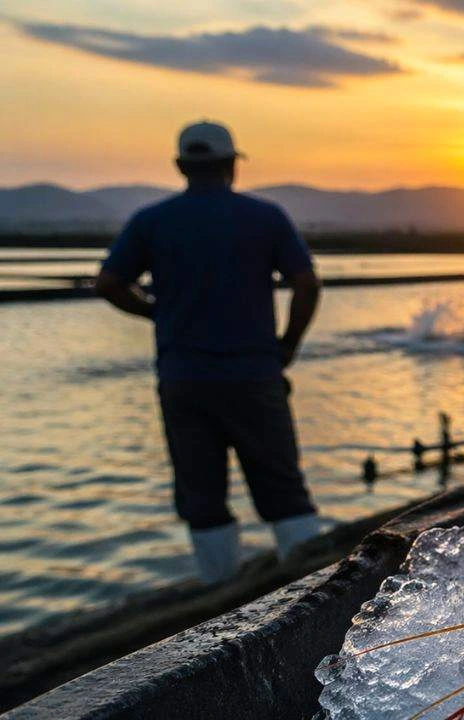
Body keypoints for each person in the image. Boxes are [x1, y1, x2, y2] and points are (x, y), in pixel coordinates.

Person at [95, 120, 323, 584]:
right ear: (231, 166)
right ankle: (313, 591)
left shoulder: (151, 221)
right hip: (254, 377)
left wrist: (155, 312)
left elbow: (110, 283)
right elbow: (306, 283)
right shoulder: (265, 217)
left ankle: (217, 597)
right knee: (284, 492)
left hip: (184, 380)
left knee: (202, 497)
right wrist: (287, 345)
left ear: (181, 167)